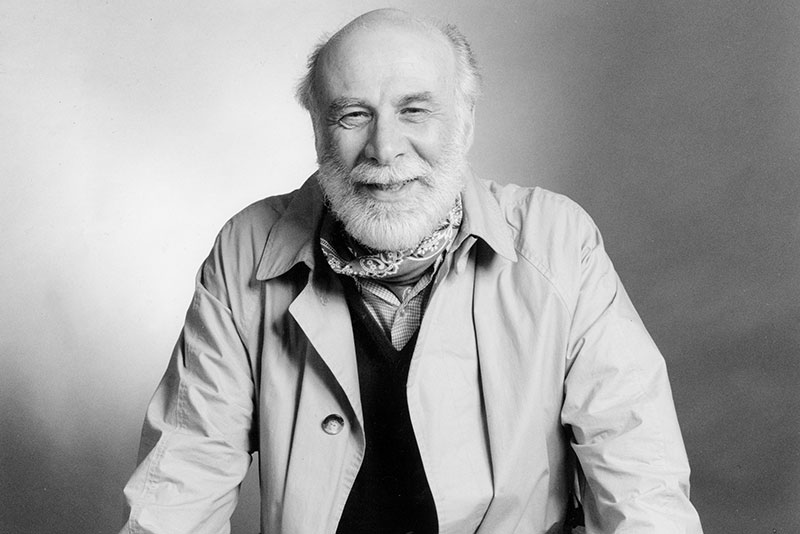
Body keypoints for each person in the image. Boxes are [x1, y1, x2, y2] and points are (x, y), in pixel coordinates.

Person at [120, 8, 704, 534]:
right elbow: (181, 483)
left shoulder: (558, 243)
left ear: (465, 123)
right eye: (353, 115)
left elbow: (639, 481)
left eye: (414, 111)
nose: (384, 147)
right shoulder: (246, 249)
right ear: (318, 130)